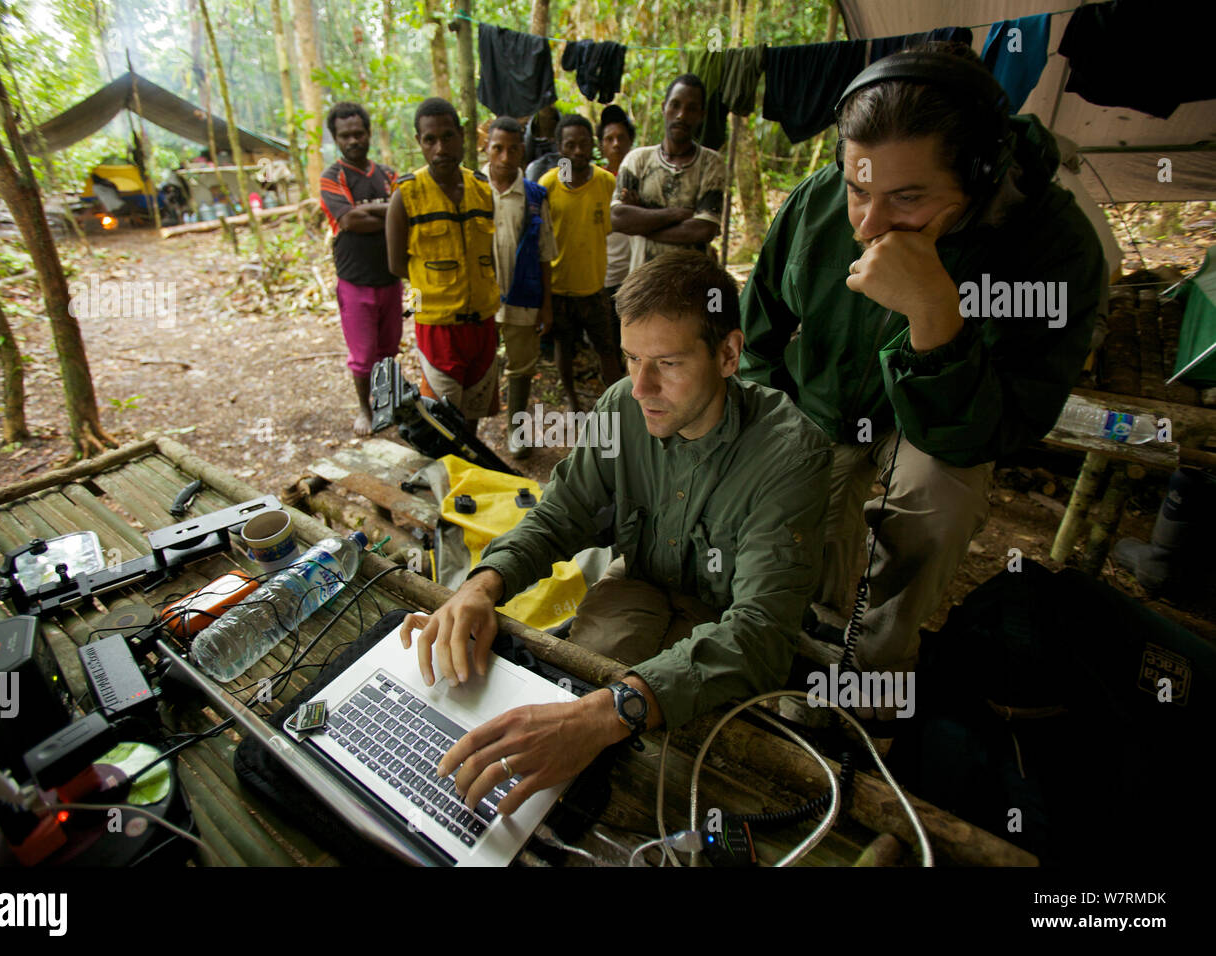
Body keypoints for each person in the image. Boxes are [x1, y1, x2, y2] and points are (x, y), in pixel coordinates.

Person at [738, 45, 1106, 724]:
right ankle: (801, 651)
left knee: (937, 497)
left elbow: (1000, 427)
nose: (869, 226)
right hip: (826, 401)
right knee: (792, 513)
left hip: (940, 423)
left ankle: (873, 677)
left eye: (908, 199)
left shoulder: (1052, 247)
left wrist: (935, 317)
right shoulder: (817, 204)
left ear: (979, 175)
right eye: (858, 188)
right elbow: (756, 335)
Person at [399, 250, 833, 816]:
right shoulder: (620, 410)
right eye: (631, 359)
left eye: (668, 364)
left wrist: (609, 714)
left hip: (731, 615)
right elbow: (561, 514)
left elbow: (759, 632)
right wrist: (481, 585)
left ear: (728, 354)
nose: (640, 387)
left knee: (686, 756)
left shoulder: (790, 454)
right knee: (579, 679)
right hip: (642, 578)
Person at [386, 98, 501, 432]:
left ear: (462, 137)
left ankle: (472, 473)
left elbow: (490, 255)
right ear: (419, 143)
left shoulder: (482, 188)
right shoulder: (406, 195)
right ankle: (447, 474)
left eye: (448, 136)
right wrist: (438, 286)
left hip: (482, 320)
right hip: (439, 326)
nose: (440, 147)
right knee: (443, 416)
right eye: (429, 140)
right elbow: (397, 264)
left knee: (474, 409)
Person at [319, 102, 403, 436]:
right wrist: (388, 210)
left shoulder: (387, 174)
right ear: (336, 139)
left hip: (390, 278)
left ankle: (386, 405)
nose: (353, 140)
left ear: (368, 133)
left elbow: (404, 212)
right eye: (345, 135)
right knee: (363, 354)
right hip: (355, 282)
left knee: (388, 349)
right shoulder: (332, 177)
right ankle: (364, 411)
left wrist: (372, 212)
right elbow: (350, 220)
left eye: (358, 133)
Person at [537, 114, 623, 411]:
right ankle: (572, 401)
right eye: (570, 145)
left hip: (593, 286)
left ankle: (617, 403)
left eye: (583, 144)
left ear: (592, 145)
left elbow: (615, 224)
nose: (577, 151)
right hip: (560, 287)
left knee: (607, 348)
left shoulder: (606, 182)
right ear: (559, 147)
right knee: (564, 347)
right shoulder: (547, 185)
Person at [484, 116, 557, 458]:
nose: (504, 156)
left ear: (522, 152)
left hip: (523, 294)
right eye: (497, 148)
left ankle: (517, 427)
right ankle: (472, 424)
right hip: (479, 296)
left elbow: (544, 252)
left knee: (521, 364)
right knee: (479, 361)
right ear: (487, 147)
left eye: (513, 149)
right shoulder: (471, 188)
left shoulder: (533, 195)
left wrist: (547, 303)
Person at [610, 75, 726, 269]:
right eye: (675, 105)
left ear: (701, 115)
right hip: (643, 284)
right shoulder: (638, 160)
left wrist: (642, 222)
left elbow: (703, 230)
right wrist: (679, 214)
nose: (681, 115)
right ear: (664, 108)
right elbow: (618, 219)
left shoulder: (710, 163)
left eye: (691, 108)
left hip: (691, 284)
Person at [598, 104, 636, 366]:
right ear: (601, 145)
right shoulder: (595, 180)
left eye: (621, 138)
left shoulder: (642, 174)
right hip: (607, 271)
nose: (615, 144)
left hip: (636, 269)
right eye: (609, 139)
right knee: (611, 337)